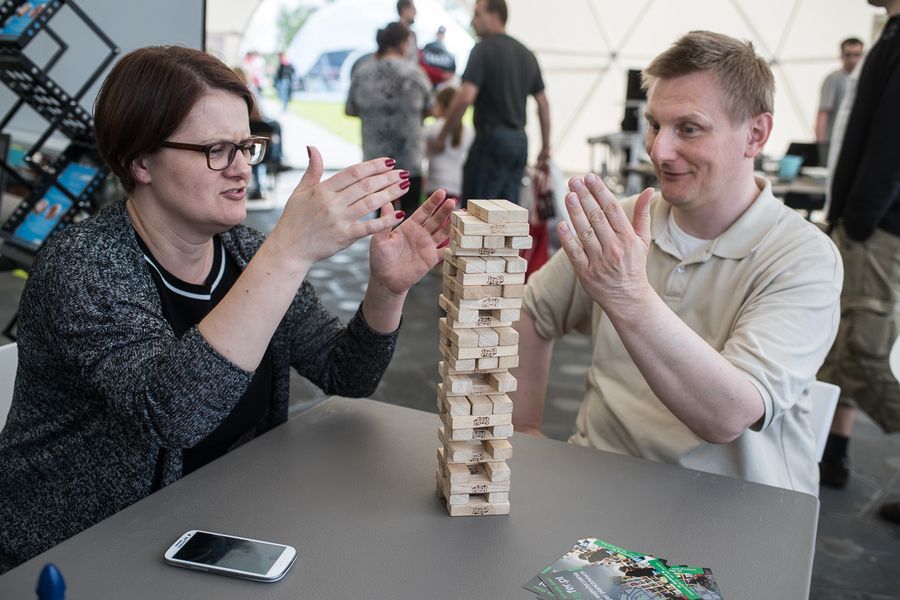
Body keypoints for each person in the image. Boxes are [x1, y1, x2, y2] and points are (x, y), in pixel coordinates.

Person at [0, 45, 454, 574]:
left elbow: (344, 373)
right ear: (140, 162)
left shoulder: (243, 251)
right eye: (216, 149)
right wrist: (289, 251)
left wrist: (387, 289)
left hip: (215, 520)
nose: (242, 169)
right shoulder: (84, 266)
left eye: (246, 146)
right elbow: (174, 414)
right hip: (77, 555)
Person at [511, 31, 842, 496]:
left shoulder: (803, 257)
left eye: (689, 128)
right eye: (654, 124)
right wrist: (523, 429)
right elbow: (532, 310)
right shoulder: (629, 219)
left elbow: (728, 416)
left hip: (731, 508)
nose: (658, 151)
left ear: (755, 135)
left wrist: (628, 296)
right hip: (601, 484)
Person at [818, 0, 900, 524]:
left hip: (878, 228)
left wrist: (863, 220)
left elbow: (892, 144)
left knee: (866, 357)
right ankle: (833, 454)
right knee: (839, 345)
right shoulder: (890, 34)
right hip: (861, 221)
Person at [435, 0, 550, 206]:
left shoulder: (482, 49)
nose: (473, 21)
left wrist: (443, 135)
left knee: (476, 213)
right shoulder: (526, 54)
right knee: (508, 213)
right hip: (518, 142)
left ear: (495, 16)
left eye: (478, 14)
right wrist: (545, 147)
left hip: (491, 141)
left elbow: (465, 98)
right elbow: (543, 105)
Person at [346, 22, 432, 217]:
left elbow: (350, 110)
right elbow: (430, 108)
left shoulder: (362, 73)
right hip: (410, 158)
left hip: (376, 161)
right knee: (411, 217)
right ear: (403, 43)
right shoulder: (415, 74)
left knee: (381, 218)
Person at [815, 37, 864, 158]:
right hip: (833, 143)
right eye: (848, 55)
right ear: (841, 56)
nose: (852, 59)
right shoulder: (834, 79)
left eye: (857, 55)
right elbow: (823, 113)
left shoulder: (864, 80)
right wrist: (820, 146)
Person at [424, 86, 473, 201]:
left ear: (441, 105)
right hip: (457, 183)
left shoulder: (434, 127)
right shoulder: (469, 131)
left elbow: (423, 151)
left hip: (436, 183)